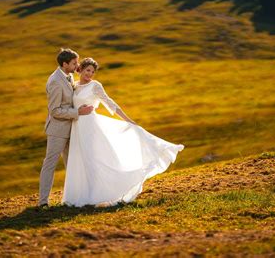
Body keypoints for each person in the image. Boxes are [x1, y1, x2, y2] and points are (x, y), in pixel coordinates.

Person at [61, 57, 184, 208]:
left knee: (93, 159)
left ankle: (100, 195)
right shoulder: (74, 85)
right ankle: (80, 196)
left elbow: (110, 102)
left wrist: (127, 119)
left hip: (91, 127)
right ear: (81, 69)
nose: (90, 74)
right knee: (80, 159)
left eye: (93, 72)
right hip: (77, 127)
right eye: (88, 70)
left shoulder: (95, 86)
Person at [38, 48, 94, 208]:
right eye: (75, 63)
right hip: (58, 130)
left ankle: (74, 198)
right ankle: (43, 202)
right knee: (50, 164)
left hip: (73, 129)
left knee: (73, 163)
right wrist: (78, 112)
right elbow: (54, 110)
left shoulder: (68, 75)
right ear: (64, 64)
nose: (78, 65)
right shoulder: (55, 81)